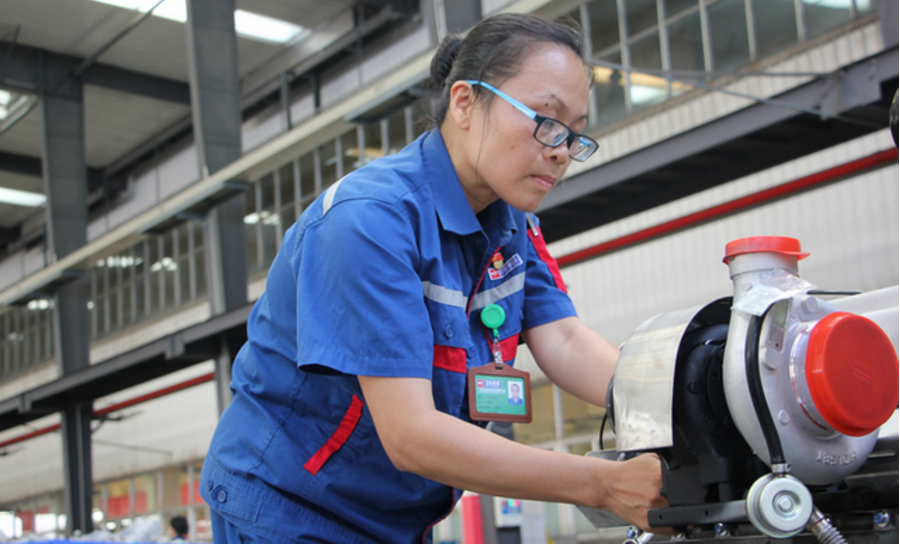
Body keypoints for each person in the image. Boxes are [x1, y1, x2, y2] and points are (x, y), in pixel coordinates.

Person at [200, 13, 666, 544]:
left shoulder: (512, 223)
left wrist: (673, 397)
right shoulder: (368, 221)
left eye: (575, 134)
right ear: (465, 102)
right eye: (545, 119)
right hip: (289, 510)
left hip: (394, 516)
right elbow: (412, 435)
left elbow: (563, 338)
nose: (560, 150)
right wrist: (602, 483)